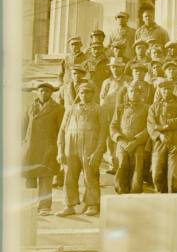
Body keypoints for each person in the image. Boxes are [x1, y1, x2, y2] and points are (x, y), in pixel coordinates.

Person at [57, 81, 106, 216]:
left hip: (90, 146)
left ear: (93, 93)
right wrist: (60, 151)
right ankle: (69, 205)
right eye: (82, 92)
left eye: (88, 92)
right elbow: (61, 131)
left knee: (90, 175)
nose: (84, 95)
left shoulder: (99, 109)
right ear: (78, 93)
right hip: (71, 146)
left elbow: (103, 132)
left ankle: (92, 204)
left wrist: (98, 151)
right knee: (69, 176)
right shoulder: (71, 109)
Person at [22, 82, 64, 215]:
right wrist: (22, 144)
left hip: (48, 147)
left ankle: (44, 206)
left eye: (46, 91)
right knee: (30, 176)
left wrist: (58, 147)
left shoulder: (58, 109)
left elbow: (61, 130)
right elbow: (23, 127)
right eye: (41, 91)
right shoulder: (30, 107)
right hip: (31, 147)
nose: (43, 93)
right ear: (36, 92)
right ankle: (29, 204)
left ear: (51, 93)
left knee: (46, 177)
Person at [147, 79, 177, 193]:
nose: (166, 91)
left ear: (173, 89)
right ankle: (161, 198)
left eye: (169, 88)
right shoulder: (154, 107)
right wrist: (159, 135)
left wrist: (166, 125)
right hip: (159, 143)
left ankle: (175, 202)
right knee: (156, 174)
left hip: (176, 141)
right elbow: (151, 126)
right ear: (159, 90)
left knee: (175, 176)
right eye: (163, 89)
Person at [110, 82, 150, 194]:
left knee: (137, 168)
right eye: (131, 91)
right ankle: (121, 193)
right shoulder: (121, 108)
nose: (134, 94)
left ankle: (135, 194)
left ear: (142, 94)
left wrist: (136, 141)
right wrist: (120, 140)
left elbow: (149, 127)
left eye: (137, 91)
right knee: (122, 165)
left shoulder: (147, 108)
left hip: (139, 144)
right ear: (127, 93)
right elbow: (113, 126)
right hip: (123, 144)